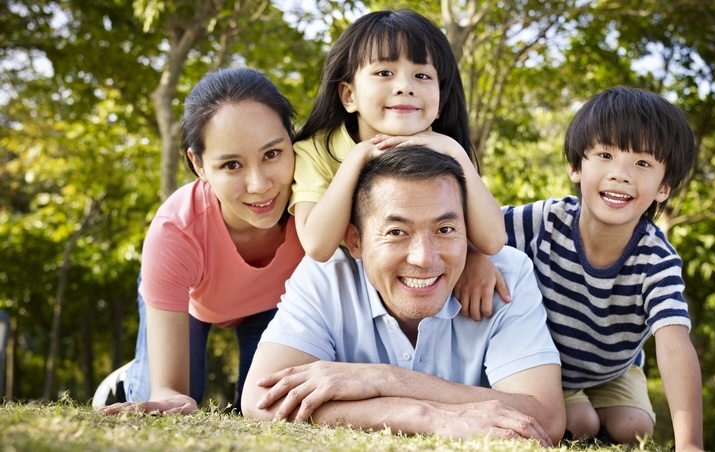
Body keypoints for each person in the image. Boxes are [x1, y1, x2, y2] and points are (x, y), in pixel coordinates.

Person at [241, 146, 565, 443]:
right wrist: (426, 417)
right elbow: (261, 400)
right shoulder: (325, 278)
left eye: (445, 230)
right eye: (397, 232)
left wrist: (385, 380)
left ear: (468, 234)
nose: (424, 258)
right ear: (355, 240)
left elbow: (546, 417)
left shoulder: (506, 276)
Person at [489, 86, 702, 449]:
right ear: (576, 166)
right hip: (548, 364)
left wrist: (690, 444)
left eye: (642, 163)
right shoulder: (545, 220)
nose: (620, 174)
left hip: (613, 367)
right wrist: (480, 256)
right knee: (580, 423)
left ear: (663, 187)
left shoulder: (656, 258)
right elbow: (479, 228)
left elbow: (674, 344)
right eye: (605, 154)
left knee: (633, 428)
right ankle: (581, 417)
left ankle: (605, 415)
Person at [93, 67, 305, 415]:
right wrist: (168, 392)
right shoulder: (176, 230)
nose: (260, 185)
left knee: (268, 405)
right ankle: (129, 378)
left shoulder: (316, 205)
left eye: (272, 154)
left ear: (292, 136)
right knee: (173, 398)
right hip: (192, 304)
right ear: (199, 164)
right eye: (232, 165)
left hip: (274, 305)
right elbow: (170, 391)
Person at [290, 9, 505, 283]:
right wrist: (359, 156)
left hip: (420, 277)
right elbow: (317, 246)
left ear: (440, 103)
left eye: (422, 76)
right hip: (344, 285)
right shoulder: (316, 151)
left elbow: (493, 241)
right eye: (384, 72)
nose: (405, 86)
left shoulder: (445, 151)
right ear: (349, 95)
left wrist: (455, 152)